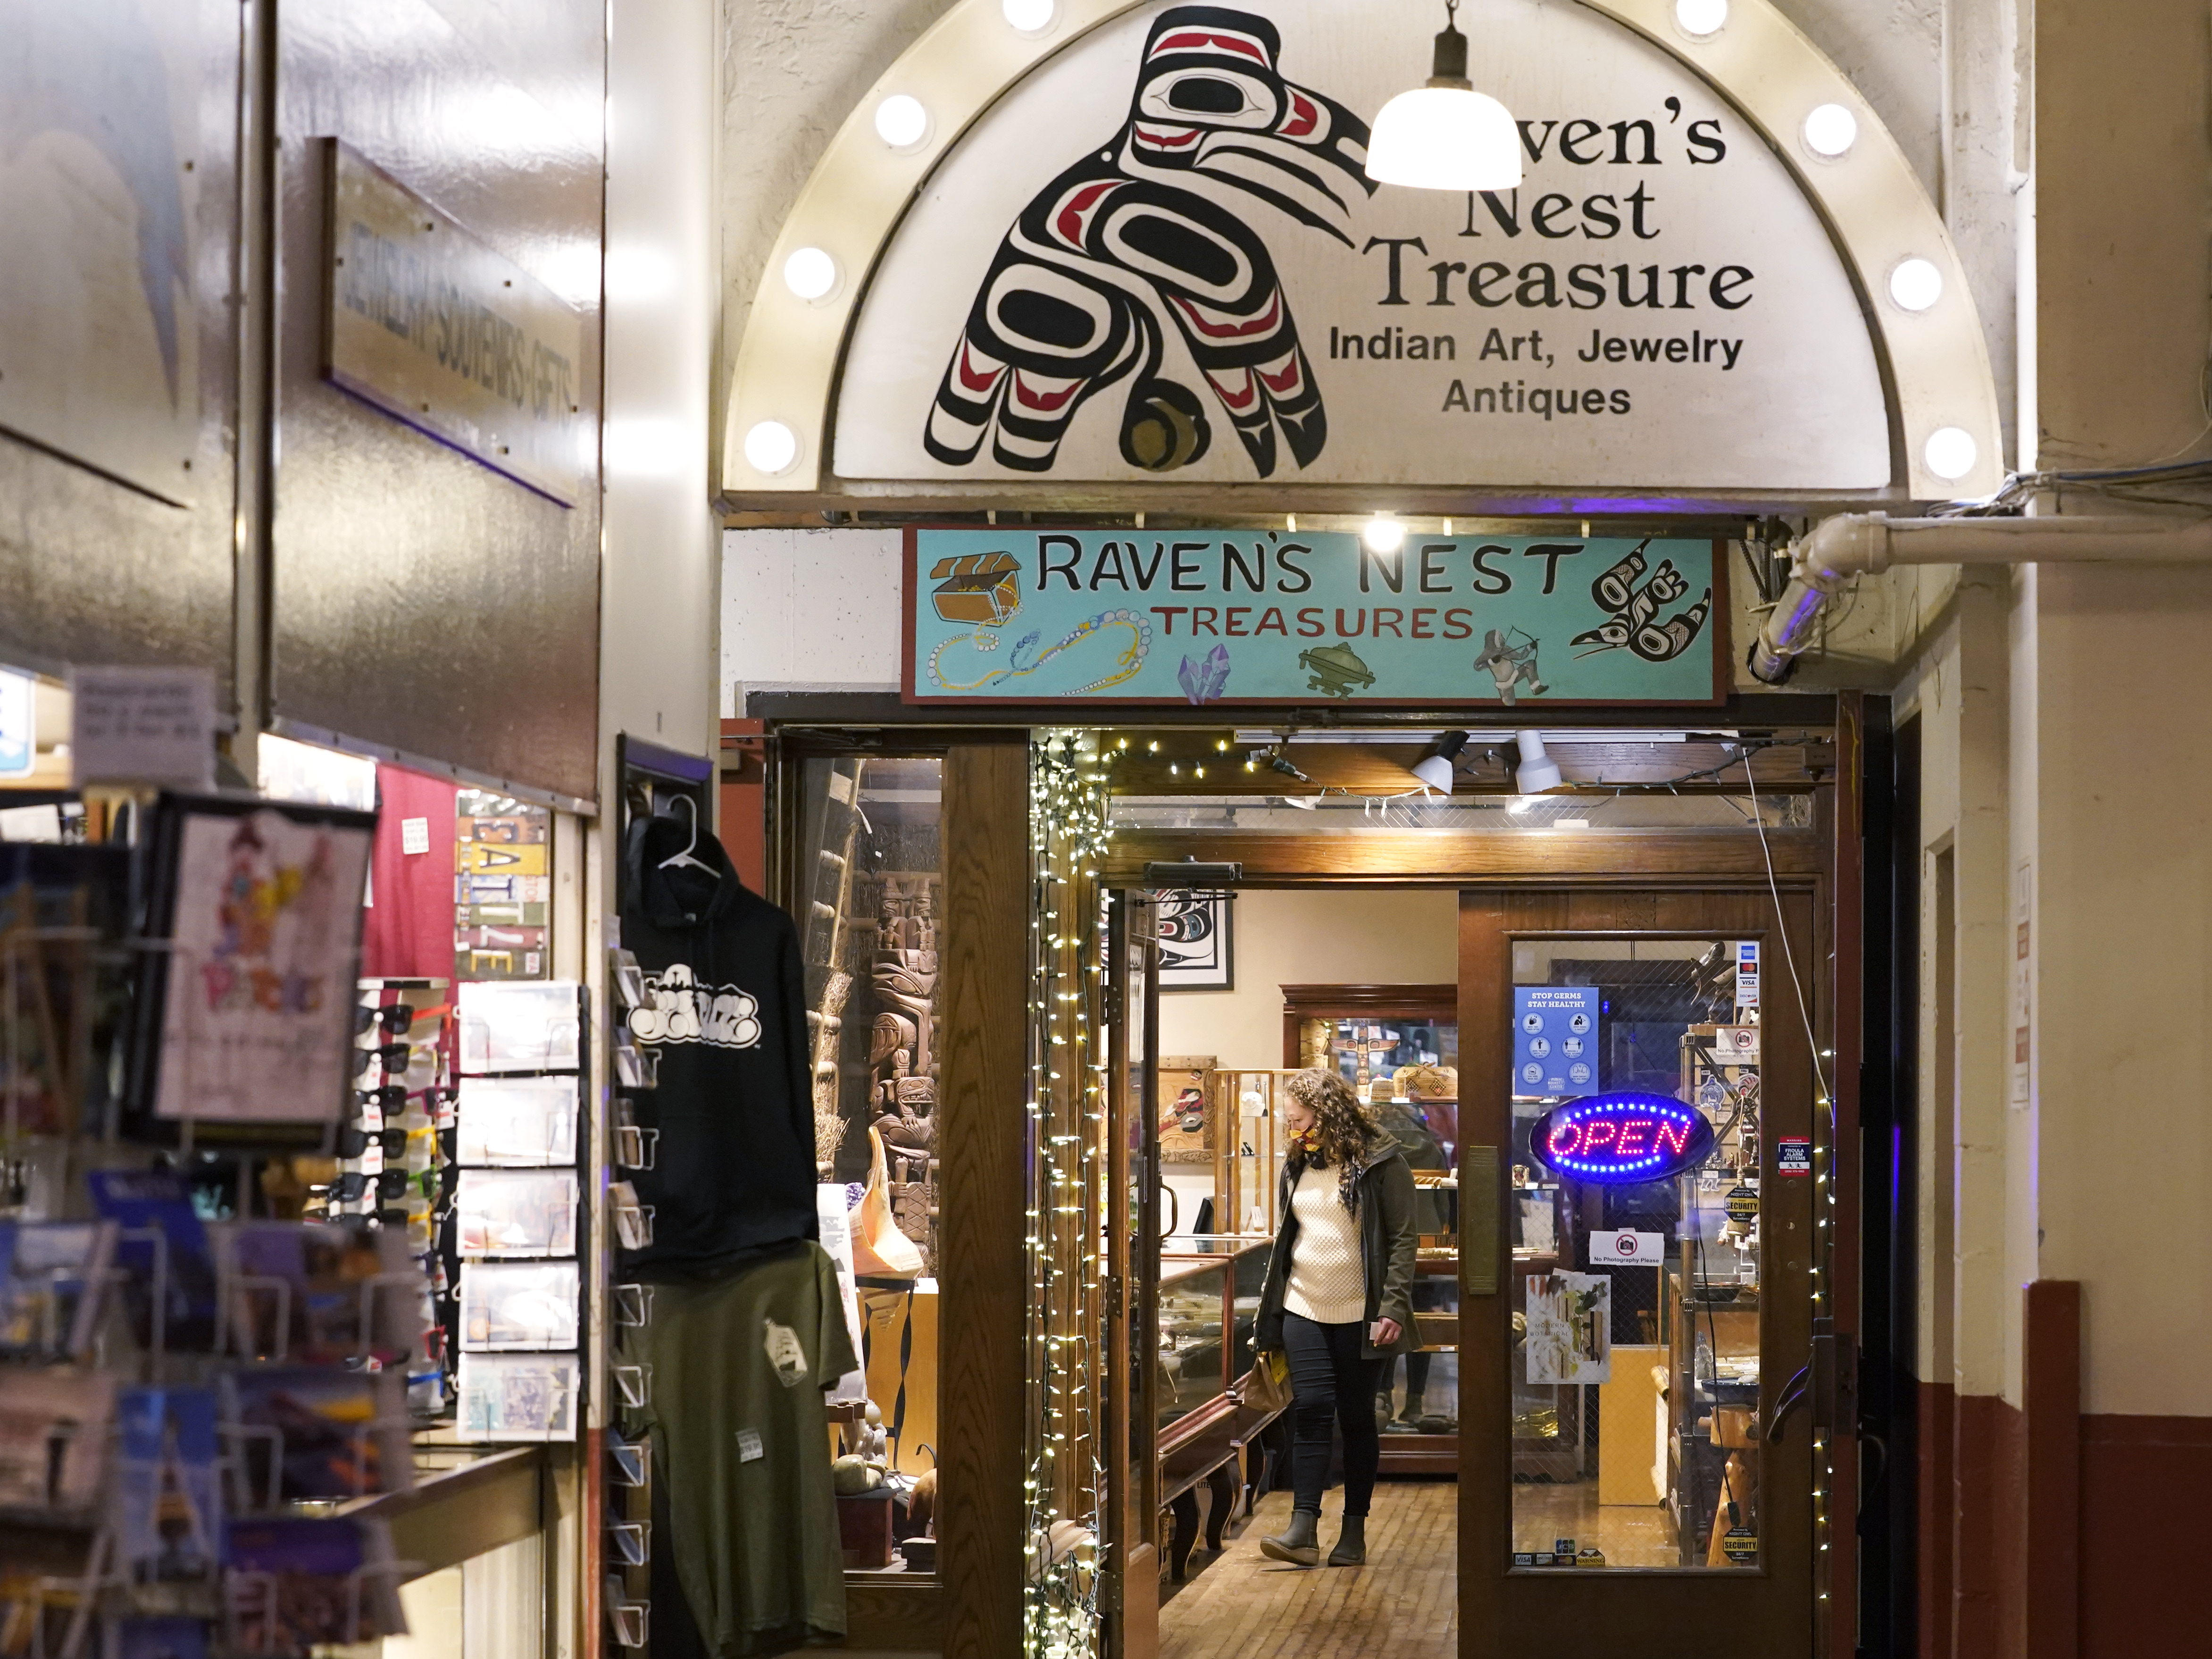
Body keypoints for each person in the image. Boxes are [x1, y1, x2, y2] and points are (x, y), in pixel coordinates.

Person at [1251, 1069, 1418, 1568]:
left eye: (1299, 1120)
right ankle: (1303, 1529)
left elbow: (1404, 1240)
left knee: (1357, 1417)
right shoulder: (1299, 1161)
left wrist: (1392, 1307)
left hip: (1362, 1315)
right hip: (1304, 1305)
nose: (1293, 1130)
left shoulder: (1383, 1162)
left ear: (1327, 1114)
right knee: (1312, 1409)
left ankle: (1353, 1532)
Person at [1369, 1068, 1454, 1432]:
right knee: (1420, 1320)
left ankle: (1382, 1396)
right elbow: (1443, 1200)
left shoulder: (1371, 1142)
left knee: (1384, 1320)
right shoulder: (1426, 1141)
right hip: (1428, 1241)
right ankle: (1416, 1403)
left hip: (1383, 1244)